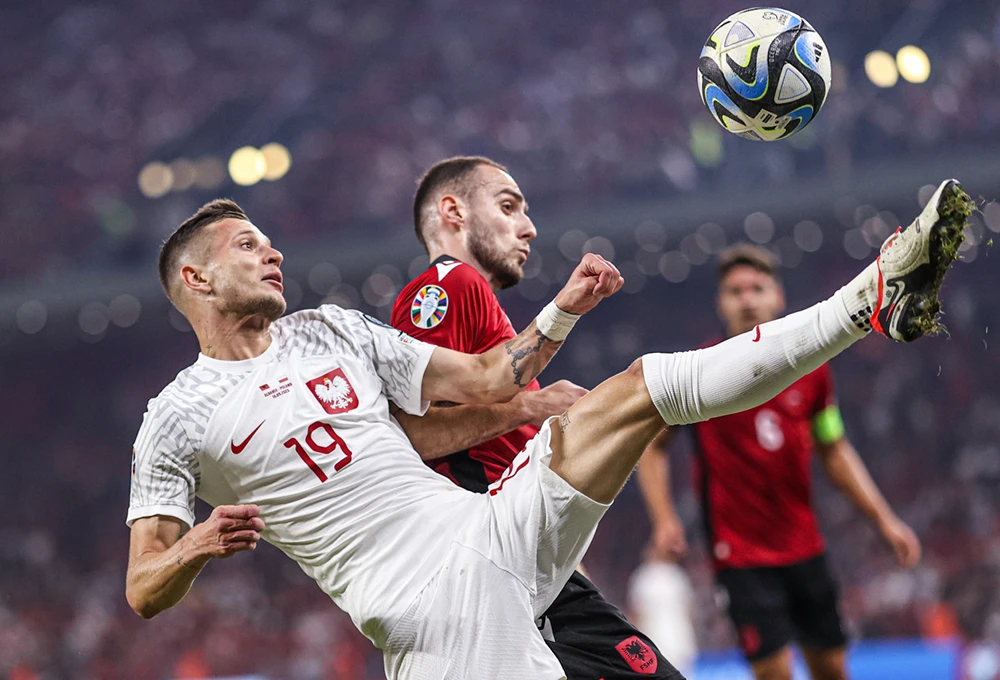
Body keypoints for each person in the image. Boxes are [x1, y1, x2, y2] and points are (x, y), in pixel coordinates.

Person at [125, 174, 970, 679]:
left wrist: (561, 312)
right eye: (247, 246)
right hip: (431, 614)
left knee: (639, 387)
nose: (272, 253)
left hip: (487, 528)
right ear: (196, 278)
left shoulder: (329, 330)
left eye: (268, 242)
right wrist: (195, 545)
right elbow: (142, 588)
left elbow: (485, 379)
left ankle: (871, 298)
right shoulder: (176, 417)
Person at [388, 156, 679, 679]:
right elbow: (410, 437)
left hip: (526, 563)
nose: (529, 227)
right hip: (498, 560)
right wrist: (531, 405)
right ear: (453, 211)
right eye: (508, 207)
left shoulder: (478, 305)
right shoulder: (445, 288)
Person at [636, 243, 924, 680]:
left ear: (778, 297)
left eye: (757, 288)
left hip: (805, 546)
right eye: (735, 291)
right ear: (721, 302)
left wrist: (885, 522)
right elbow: (653, 446)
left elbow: (833, 447)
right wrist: (663, 518)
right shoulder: (698, 371)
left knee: (833, 670)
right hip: (739, 557)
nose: (747, 299)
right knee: (774, 674)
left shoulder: (813, 371)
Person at [626, 555, 699, 678]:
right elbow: (690, 612)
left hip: (667, 646)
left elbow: (635, 616)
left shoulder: (672, 575)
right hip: (671, 644)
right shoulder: (647, 577)